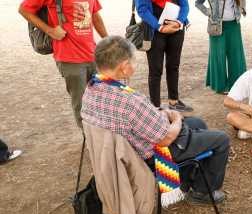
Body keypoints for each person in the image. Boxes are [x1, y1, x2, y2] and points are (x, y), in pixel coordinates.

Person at [82, 36, 230, 205]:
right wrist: (176, 121)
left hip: (119, 151)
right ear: (124, 67)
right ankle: (202, 193)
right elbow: (165, 139)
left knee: (197, 123)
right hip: (147, 154)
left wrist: (162, 116)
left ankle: (187, 180)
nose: (134, 66)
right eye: (134, 62)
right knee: (222, 139)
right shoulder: (130, 101)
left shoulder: (91, 88)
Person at [18, 0, 108, 130]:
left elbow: (95, 15)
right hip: (70, 58)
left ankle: (104, 136)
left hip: (93, 54)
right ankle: (91, 142)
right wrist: (50, 31)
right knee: (82, 104)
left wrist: (107, 41)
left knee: (101, 99)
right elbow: (24, 9)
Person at [134, 0, 193, 112]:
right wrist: (160, 27)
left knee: (173, 66)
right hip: (155, 30)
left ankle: (174, 101)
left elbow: (184, 3)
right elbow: (142, 9)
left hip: (176, 28)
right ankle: (156, 107)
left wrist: (178, 22)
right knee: (156, 70)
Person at [195, 0, 247, 94]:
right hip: (217, 26)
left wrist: (242, 8)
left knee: (236, 56)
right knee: (218, 56)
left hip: (234, 25)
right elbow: (198, 3)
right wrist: (208, 12)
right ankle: (221, 86)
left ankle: (236, 86)